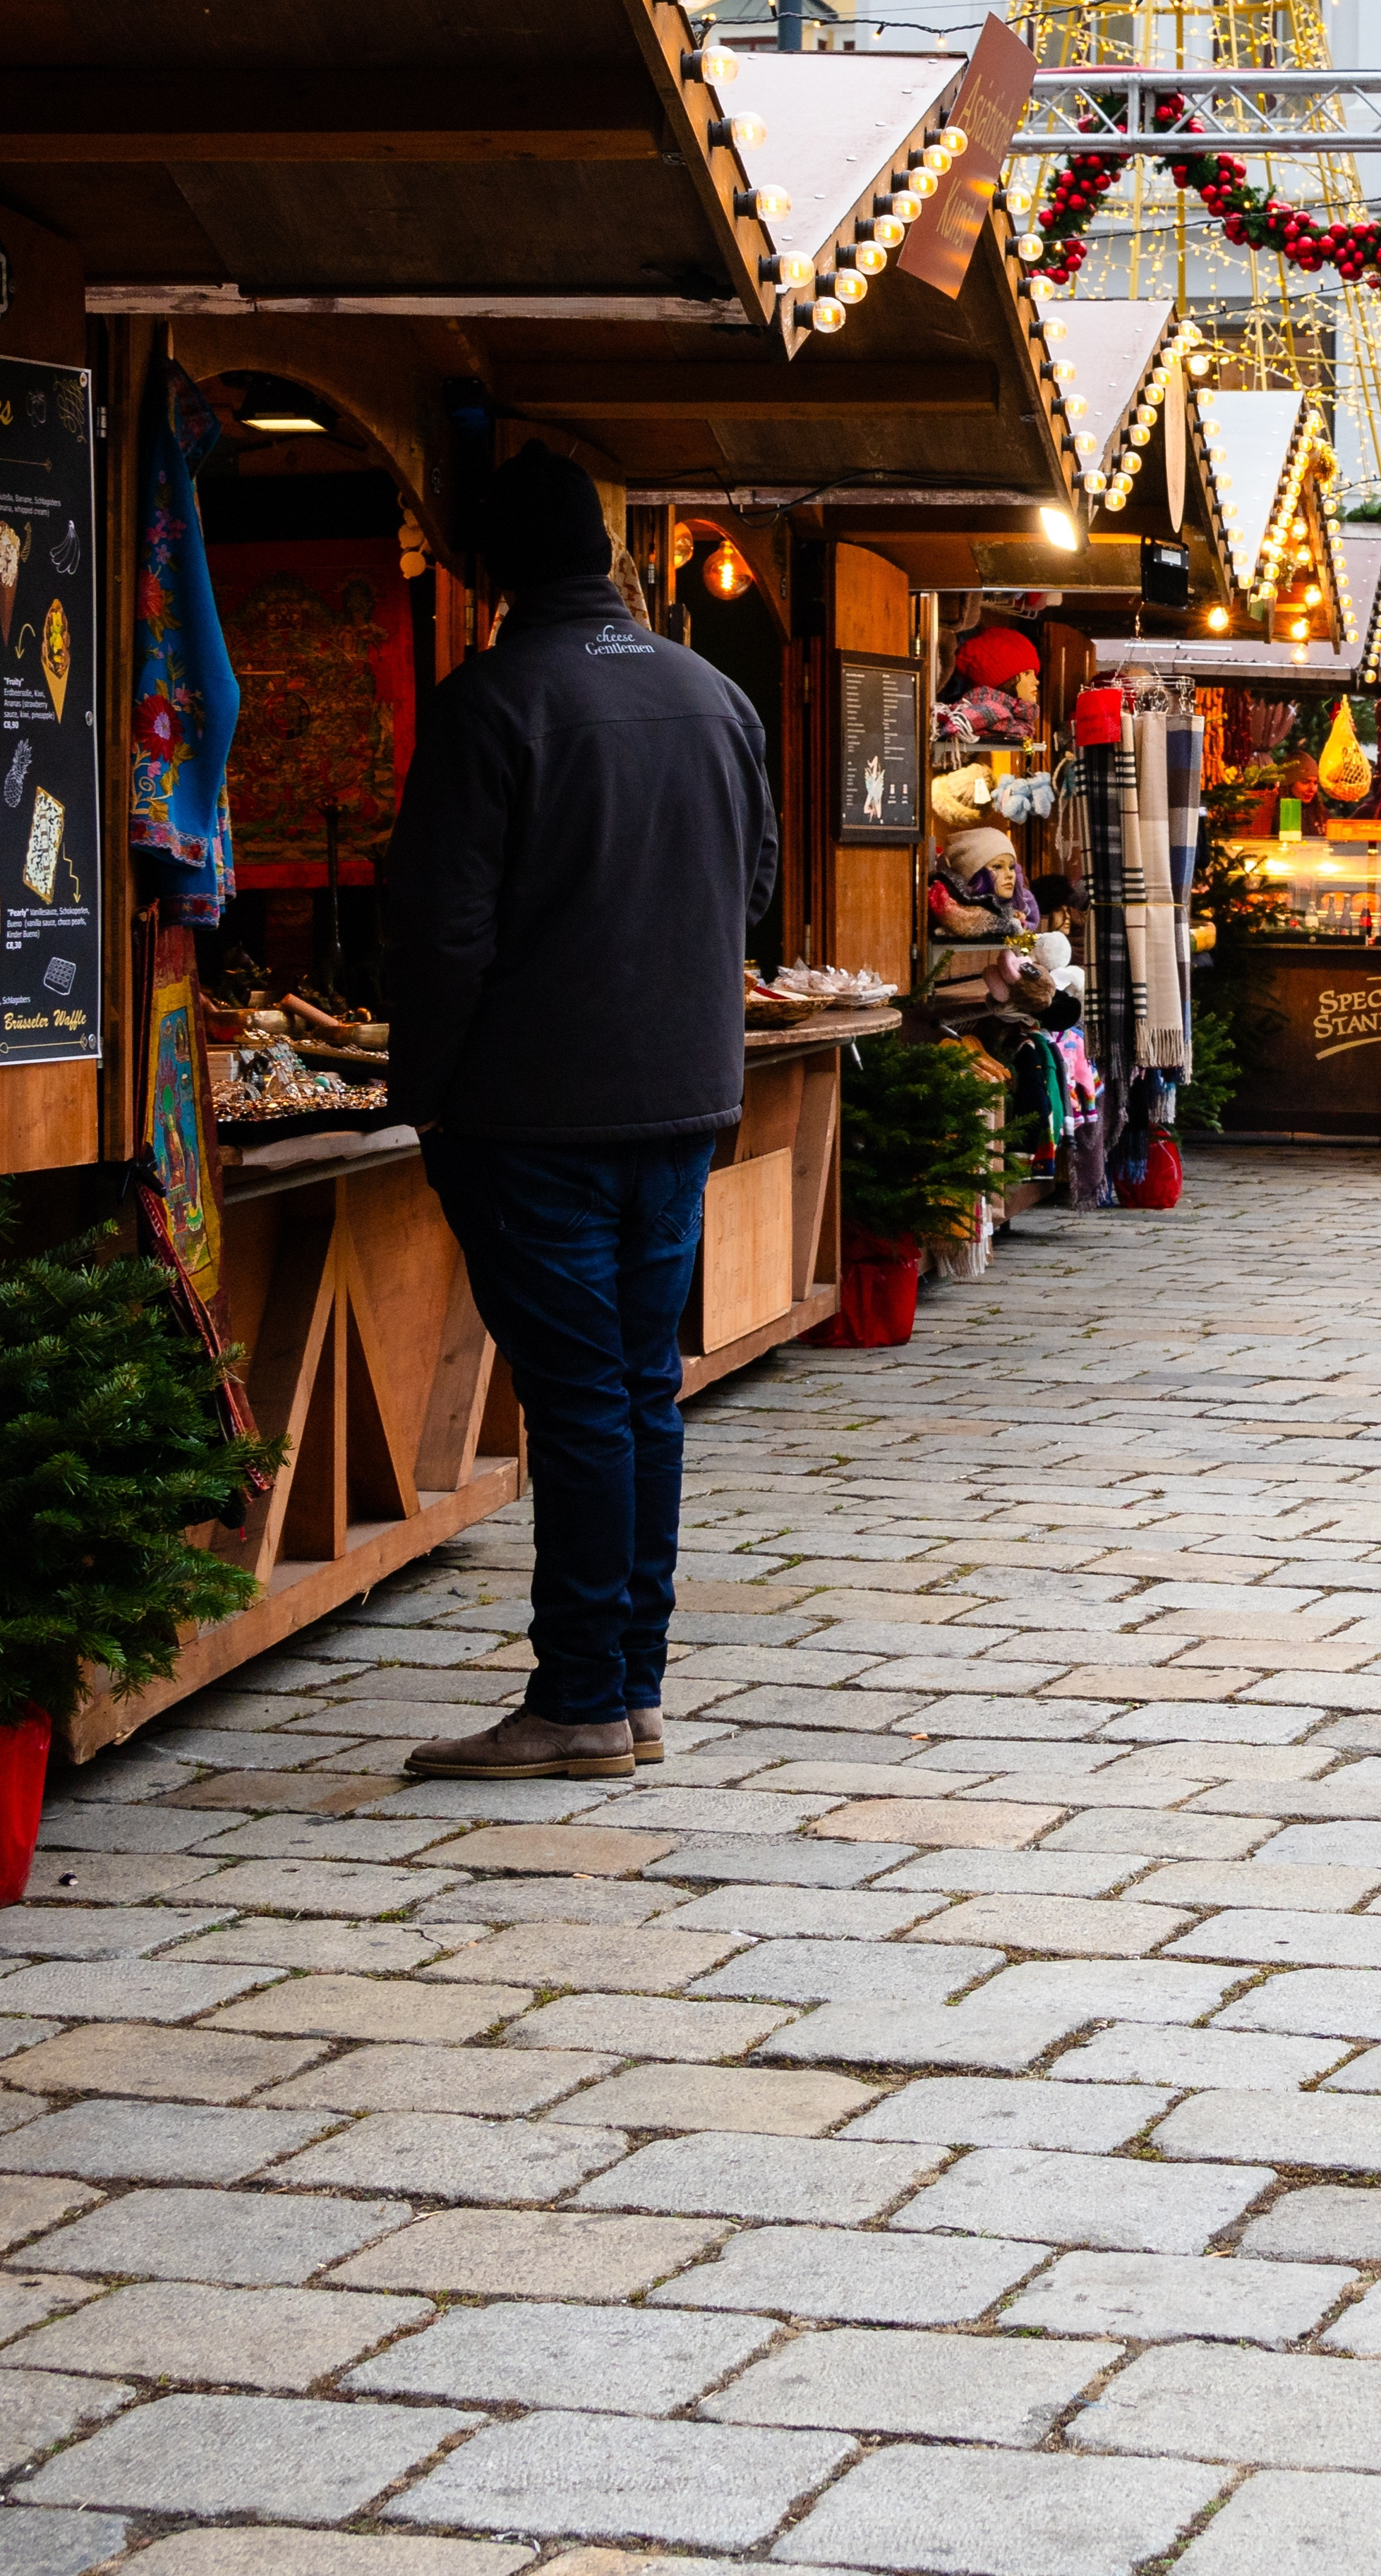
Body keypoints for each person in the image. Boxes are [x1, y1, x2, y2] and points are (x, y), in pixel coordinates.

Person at [384, 446, 776, 1780]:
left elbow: (443, 935)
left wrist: (423, 1098)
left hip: (534, 1106)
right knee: (636, 1391)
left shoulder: (488, 702)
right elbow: (755, 888)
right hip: (678, 1094)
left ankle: (579, 1700)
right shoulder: (714, 696)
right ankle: (630, 1684)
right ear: (604, 558)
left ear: (486, 570)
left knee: (580, 1402)